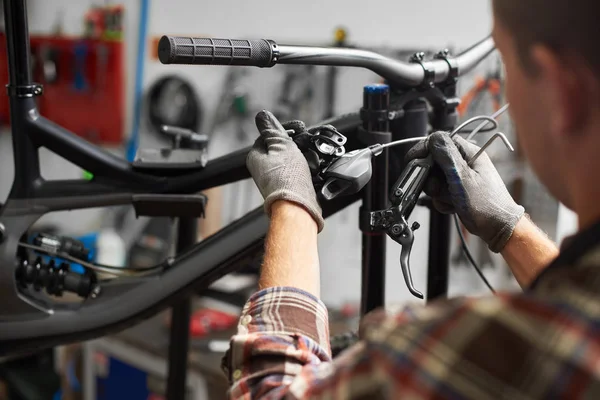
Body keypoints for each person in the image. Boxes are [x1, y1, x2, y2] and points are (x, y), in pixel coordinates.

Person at [222, 0, 600, 397]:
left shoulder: (491, 347)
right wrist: (512, 227)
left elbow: (269, 391)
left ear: (563, 91)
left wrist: (291, 206)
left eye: (506, 65)